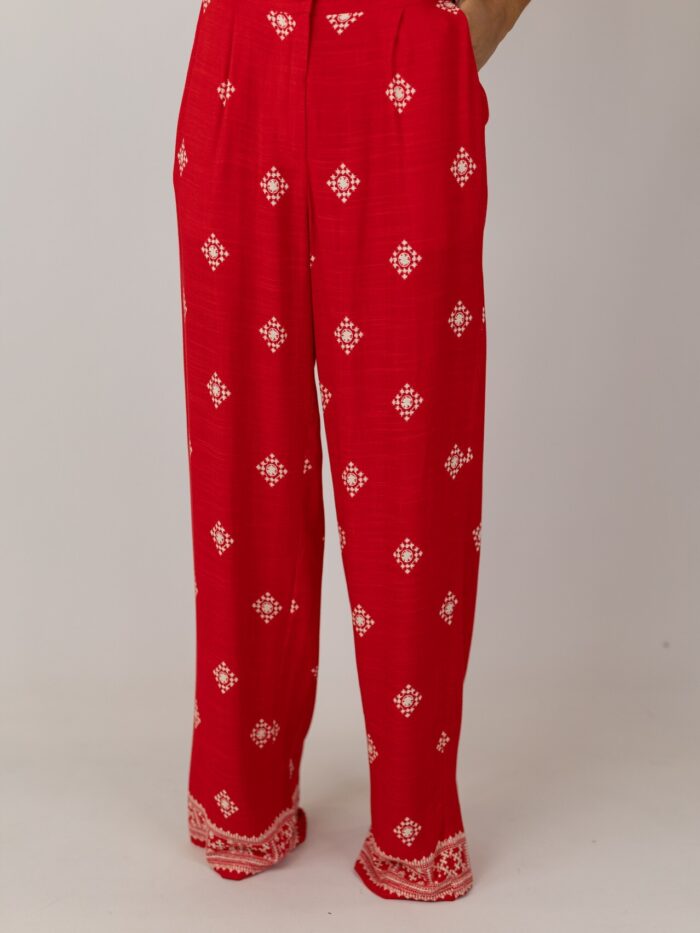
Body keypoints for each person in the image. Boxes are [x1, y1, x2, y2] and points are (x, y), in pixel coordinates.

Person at [173, 0, 530, 902]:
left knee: (412, 469)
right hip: (241, 61)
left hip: (403, 56)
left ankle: (414, 822)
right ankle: (243, 796)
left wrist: (467, 23)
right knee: (239, 455)